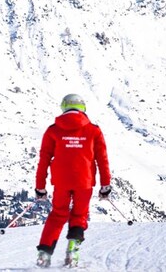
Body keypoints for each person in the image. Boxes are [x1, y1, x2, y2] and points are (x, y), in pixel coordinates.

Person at [34, 93, 111, 268]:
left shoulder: (53, 130)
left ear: (64, 108)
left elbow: (44, 160)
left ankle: (44, 255)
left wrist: (40, 187)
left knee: (58, 215)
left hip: (61, 181)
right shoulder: (94, 130)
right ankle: (72, 252)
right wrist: (105, 185)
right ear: (83, 108)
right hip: (84, 181)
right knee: (79, 215)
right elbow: (102, 159)